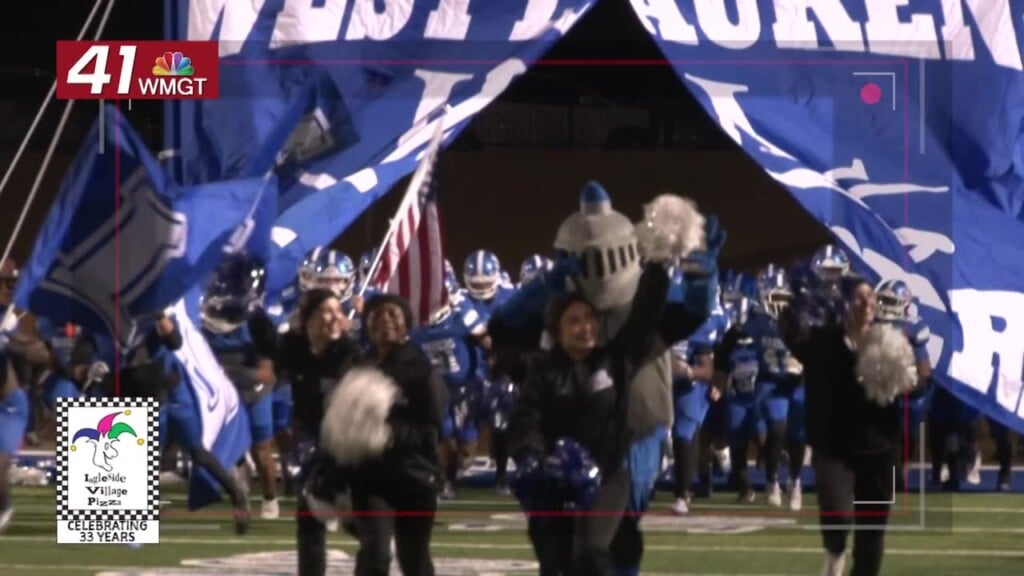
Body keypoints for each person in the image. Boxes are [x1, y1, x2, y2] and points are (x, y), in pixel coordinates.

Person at [509, 259, 711, 575]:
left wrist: (656, 267)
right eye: (574, 321)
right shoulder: (541, 370)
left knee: (593, 555)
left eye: (589, 318)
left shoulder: (615, 360)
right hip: (554, 480)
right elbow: (525, 421)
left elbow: (644, 319)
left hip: (607, 476)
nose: (584, 327)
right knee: (554, 563)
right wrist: (535, 458)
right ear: (557, 330)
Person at [778, 275, 901, 576]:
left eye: (871, 297)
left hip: (878, 446)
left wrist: (915, 375)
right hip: (834, 444)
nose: (867, 303)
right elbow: (790, 333)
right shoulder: (822, 341)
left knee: (872, 533)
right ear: (845, 302)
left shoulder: (889, 342)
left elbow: (913, 386)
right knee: (836, 514)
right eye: (859, 297)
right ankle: (835, 551)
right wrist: (798, 298)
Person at [343, 293, 447, 576]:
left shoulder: (423, 371)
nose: (385, 320)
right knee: (375, 552)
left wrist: (387, 434)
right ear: (366, 324)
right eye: (377, 315)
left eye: (393, 314)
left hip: (415, 476)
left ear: (406, 325)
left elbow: (431, 428)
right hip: (370, 478)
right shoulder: (358, 368)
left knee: (414, 558)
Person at [274, 288, 363, 576]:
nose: (335, 317)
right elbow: (267, 345)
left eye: (339, 310)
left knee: (365, 527)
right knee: (309, 520)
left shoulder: (350, 352)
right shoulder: (293, 348)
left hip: (351, 447)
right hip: (314, 444)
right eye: (327, 311)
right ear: (308, 319)